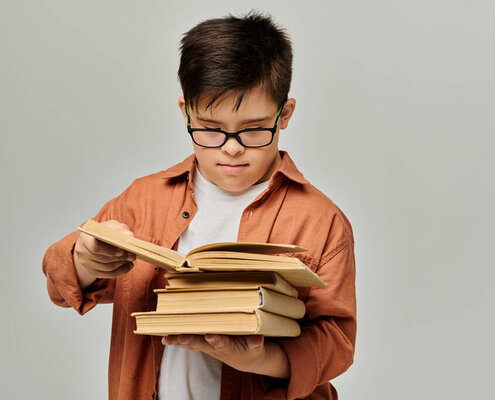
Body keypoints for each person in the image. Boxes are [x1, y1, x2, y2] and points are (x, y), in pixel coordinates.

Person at [43, 11, 356, 400]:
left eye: (254, 128)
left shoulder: (321, 220)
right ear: (185, 112)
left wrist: (255, 359)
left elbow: (336, 342)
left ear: (285, 115)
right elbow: (60, 284)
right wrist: (86, 261)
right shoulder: (143, 199)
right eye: (210, 128)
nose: (232, 146)